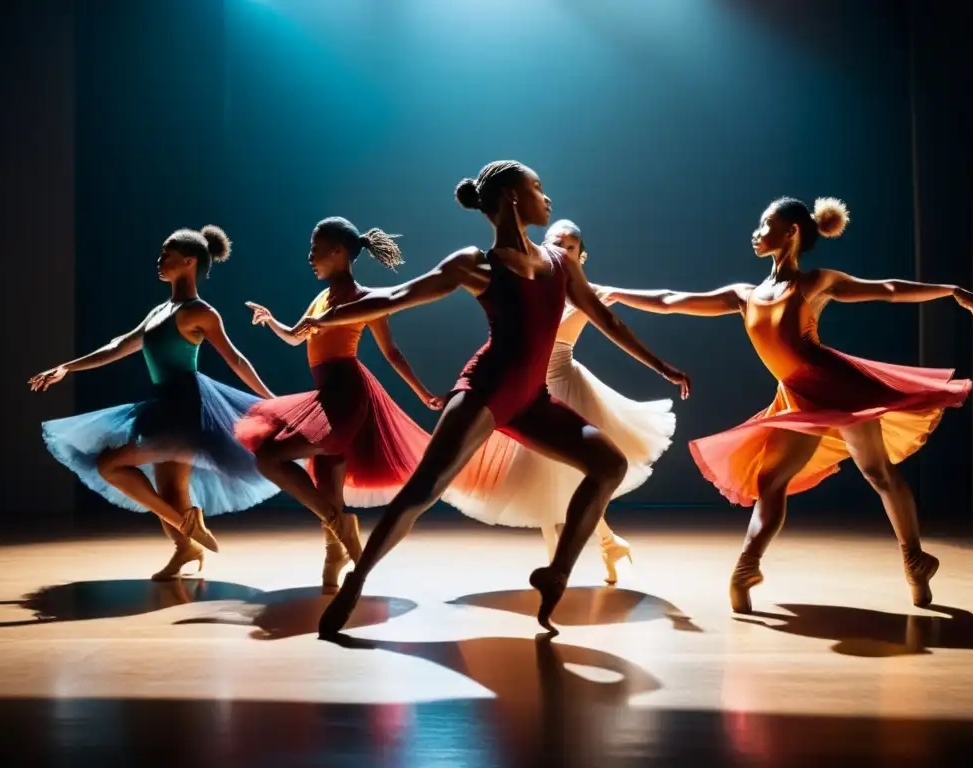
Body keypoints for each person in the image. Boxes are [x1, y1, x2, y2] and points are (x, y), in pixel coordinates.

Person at [307, 160, 690, 635]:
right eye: (538, 187)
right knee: (421, 491)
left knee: (609, 465)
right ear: (512, 197)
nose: (546, 198)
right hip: (484, 392)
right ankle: (355, 582)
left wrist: (661, 366)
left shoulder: (560, 263)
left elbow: (609, 321)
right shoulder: (476, 264)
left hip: (531, 400)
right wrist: (326, 320)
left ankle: (557, 572)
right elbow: (398, 296)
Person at [602, 197, 973, 612]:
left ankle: (913, 559)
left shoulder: (816, 283)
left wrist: (950, 291)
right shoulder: (745, 295)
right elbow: (670, 299)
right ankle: (747, 567)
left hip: (840, 390)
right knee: (773, 483)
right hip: (798, 396)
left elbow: (888, 290)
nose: (756, 231)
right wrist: (617, 293)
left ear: (791, 232)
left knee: (877, 473)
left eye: (766, 224)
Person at [30, 226, 278, 579]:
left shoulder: (199, 311)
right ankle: (186, 548)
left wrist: (269, 400)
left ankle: (187, 527)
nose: (159, 260)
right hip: (163, 406)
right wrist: (67, 367)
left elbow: (236, 360)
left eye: (167, 254)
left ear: (189, 261)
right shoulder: (162, 309)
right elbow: (118, 346)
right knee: (170, 488)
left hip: (186, 408)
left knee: (110, 465)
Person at [454, 218, 677, 585]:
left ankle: (581, 554)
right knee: (541, 478)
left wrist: (662, 364)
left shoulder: (590, 291)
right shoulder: (529, 282)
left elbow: (650, 304)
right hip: (526, 387)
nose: (561, 249)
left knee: (569, 475)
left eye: (569, 246)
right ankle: (598, 547)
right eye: (554, 242)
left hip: (564, 386)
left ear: (581, 255)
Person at [236, 217, 445, 591]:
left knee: (270, 456)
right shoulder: (320, 299)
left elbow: (392, 353)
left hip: (346, 398)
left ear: (339, 253)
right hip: (323, 397)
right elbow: (295, 338)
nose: (310, 257)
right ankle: (338, 555)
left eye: (316, 249)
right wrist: (270, 320)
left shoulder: (365, 300)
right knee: (327, 486)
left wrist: (421, 392)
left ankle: (341, 525)